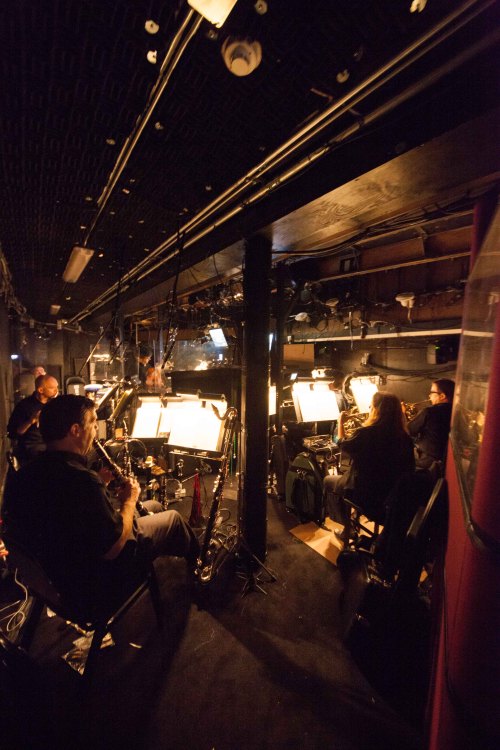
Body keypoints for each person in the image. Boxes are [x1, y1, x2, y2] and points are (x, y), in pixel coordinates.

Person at [2, 395, 200, 615]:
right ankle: (200, 565)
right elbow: (113, 546)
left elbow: (66, 510)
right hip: (96, 586)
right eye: (93, 423)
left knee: (152, 505)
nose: (96, 430)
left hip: (60, 575)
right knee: (173, 519)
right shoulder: (81, 479)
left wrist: (100, 486)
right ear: (75, 430)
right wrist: (129, 499)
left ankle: (168, 551)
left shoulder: (26, 475)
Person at [324, 391, 415, 544]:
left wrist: (340, 422)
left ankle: (348, 528)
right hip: (392, 500)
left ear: (376, 410)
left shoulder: (366, 433)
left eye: (371, 406)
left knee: (328, 480)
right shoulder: (405, 438)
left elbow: (342, 444)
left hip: (367, 496)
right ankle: (356, 522)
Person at [7, 373, 59, 465]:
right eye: (52, 388)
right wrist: (31, 421)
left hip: (51, 445)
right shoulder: (24, 406)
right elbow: (13, 432)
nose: (56, 390)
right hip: (31, 448)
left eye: (57, 387)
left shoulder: (55, 404)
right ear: (40, 390)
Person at [407, 378, 455, 468]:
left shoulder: (429, 412)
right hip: (446, 462)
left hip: (426, 462)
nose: (429, 396)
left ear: (442, 396)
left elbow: (409, 430)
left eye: (432, 392)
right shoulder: (458, 413)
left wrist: (401, 415)